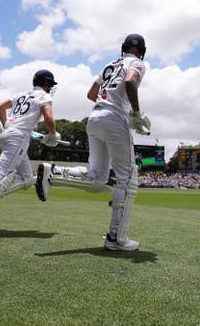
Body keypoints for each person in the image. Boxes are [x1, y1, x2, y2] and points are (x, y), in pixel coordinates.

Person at [35, 34, 151, 251]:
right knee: (127, 178)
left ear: (122, 48)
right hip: (115, 120)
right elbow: (129, 82)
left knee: (98, 177)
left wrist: (110, 102)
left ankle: (53, 173)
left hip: (95, 117)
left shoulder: (109, 64)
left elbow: (91, 94)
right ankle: (116, 238)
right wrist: (134, 113)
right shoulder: (137, 63)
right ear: (141, 51)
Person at [0, 69, 63, 238]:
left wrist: (7, 125)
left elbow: (0, 106)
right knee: (0, 175)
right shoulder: (43, 96)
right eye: (50, 85)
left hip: (9, 135)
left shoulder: (21, 94)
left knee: (28, 177)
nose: (50, 88)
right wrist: (53, 134)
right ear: (46, 84)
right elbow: (48, 118)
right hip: (18, 138)